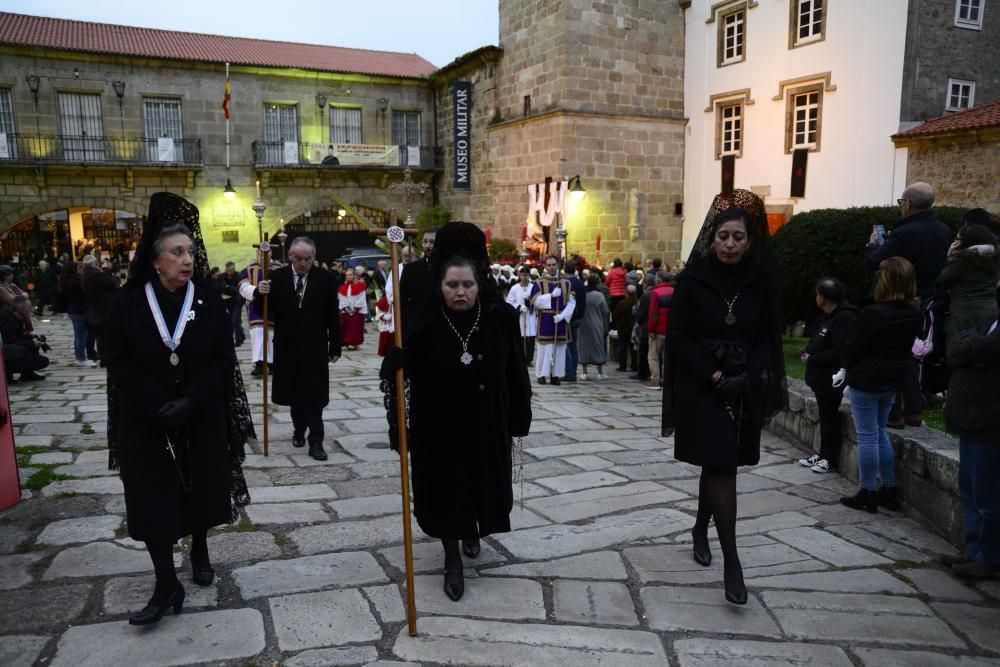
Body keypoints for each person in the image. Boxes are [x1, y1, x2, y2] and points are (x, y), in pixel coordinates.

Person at [103, 192, 253, 626]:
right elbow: (118, 362)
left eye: (189, 251)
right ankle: (165, 582)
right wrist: (157, 405)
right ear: (155, 260)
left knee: (200, 488)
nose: (186, 260)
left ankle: (201, 549)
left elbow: (224, 361)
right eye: (176, 253)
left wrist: (190, 401)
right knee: (151, 497)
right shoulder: (127, 304)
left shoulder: (207, 302)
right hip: (146, 422)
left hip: (199, 416)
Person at [380, 221, 531, 601]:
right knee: (445, 489)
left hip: (485, 420)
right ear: (439, 285)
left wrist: (519, 415)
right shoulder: (423, 323)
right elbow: (403, 376)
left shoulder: (500, 318)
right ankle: (451, 557)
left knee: (480, 485)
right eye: (452, 286)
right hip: (439, 423)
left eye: (467, 285)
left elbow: (516, 371)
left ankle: (471, 529)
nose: (460, 292)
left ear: (479, 283)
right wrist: (396, 362)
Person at [663, 189, 786, 605]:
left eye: (738, 237)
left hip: (743, 387)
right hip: (701, 386)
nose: (730, 244)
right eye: (723, 236)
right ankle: (733, 563)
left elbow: (769, 337)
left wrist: (747, 376)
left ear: (750, 241)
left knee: (720, 463)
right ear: (711, 238)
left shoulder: (761, 281)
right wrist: (714, 373)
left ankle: (701, 527)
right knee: (722, 468)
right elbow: (677, 338)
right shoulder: (693, 280)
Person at [864, 182, 952, 427]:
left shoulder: (906, 233)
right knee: (908, 357)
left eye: (902, 202)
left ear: (909, 204)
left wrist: (873, 245)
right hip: (929, 300)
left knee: (890, 353)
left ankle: (894, 413)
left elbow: (875, 262)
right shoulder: (943, 230)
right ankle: (913, 410)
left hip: (901, 300)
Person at [839, 257, 923, 513]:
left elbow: (855, 347)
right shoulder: (914, 313)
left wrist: (846, 365)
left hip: (867, 380)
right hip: (892, 379)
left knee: (867, 436)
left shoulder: (874, 314)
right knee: (880, 432)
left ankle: (867, 491)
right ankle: (888, 488)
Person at [254, 237, 342, 461]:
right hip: (287, 346)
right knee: (294, 394)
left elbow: (333, 314)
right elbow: (263, 309)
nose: (303, 263)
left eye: (308, 259)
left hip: (315, 346)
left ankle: (316, 441)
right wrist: (259, 293)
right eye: (299, 258)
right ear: (290, 257)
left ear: (314, 257)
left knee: (315, 395)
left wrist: (336, 345)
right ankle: (298, 429)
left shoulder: (326, 278)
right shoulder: (277, 277)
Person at [943, 285, 1000, 580]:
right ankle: (973, 549)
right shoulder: (990, 318)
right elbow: (955, 347)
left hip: (991, 422)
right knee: (972, 491)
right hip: (971, 420)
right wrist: (971, 348)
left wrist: (973, 348)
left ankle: (989, 558)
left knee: (990, 497)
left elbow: (984, 347)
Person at [798, 277, 858, 474]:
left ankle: (829, 458)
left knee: (830, 417)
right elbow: (816, 340)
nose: (816, 298)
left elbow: (840, 350)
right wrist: (806, 351)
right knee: (825, 417)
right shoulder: (825, 316)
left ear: (824, 297)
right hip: (819, 377)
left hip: (831, 378)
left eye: (817, 294)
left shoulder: (846, 317)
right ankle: (822, 453)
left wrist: (813, 359)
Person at [937, 223, 1000, 342]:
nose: (955, 242)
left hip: (963, 317)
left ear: (967, 242)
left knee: (959, 354)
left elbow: (941, 279)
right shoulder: (995, 258)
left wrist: (949, 256)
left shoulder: (962, 263)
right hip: (990, 312)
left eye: (957, 239)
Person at [531, 256, 575, 385]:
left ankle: (556, 375)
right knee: (545, 349)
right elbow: (536, 302)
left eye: (554, 264)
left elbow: (572, 302)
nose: (552, 267)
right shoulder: (539, 282)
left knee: (559, 350)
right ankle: (541, 375)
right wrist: (550, 296)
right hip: (546, 319)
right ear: (545, 266)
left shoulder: (566, 283)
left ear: (557, 265)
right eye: (549, 265)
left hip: (560, 320)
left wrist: (563, 316)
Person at [237, 255, 275, 377]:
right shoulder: (250, 269)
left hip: (275, 308)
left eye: (268, 253)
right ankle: (259, 363)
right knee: (258, 333)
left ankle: (273, 363)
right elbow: (243, 287)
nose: (265, 256)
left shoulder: (278, 268)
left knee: (273, 335)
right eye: (262, 253)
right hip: (256, 308)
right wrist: (256, 290)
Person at [398, 227, 438, 341]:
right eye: (425, 242)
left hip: (441, 328)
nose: (427, 246)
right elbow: (402, 301)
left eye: (432, 242)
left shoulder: (448, 269)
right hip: (416, 329)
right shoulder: (411, 269)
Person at [0, 296, 49, 382]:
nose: (30, 310)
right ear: (21, 308)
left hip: (8, 350)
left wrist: (33, 338)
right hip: (5, 353)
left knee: (33, 341)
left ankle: (26, 374)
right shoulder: (8, 320)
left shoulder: (16, 317)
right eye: (29, 307)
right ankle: (7, 374)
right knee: (42, 361)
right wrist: (32, 343)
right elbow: (9, 341)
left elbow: (17, 336)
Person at [82, 254, 120, 364]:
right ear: (94, 264)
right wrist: (107, 270)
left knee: (100, 335)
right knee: (105, 335)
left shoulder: (85, 274)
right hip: (102, 307)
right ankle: (105, 358)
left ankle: (102, 356)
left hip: (95, 307)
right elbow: (112, 283)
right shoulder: (95, 274)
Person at [64, 261, 96, 368]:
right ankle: (82, 359)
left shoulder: (70, 280)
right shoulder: (75, 281)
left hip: (74, 310)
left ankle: (79, 357)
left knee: (78, 335)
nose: (81, 268)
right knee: (81, 336)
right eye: (79, 267)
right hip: (79, 311)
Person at [578, 273, 609, 380]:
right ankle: (600, 373)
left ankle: (584, 372)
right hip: (596, 323)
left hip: (583, 323)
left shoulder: (583, 294)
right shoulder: (599, 296)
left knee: (583, 346)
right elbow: (605, 310)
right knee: (598, 346)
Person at [646, 271, 674, 388]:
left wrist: (651, 329)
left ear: (659, 280)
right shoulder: (674, 291)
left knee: (653, 356)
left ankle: (655, 381)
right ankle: (666, 381)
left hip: (658, 331)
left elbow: (653, 313)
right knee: (666, 357)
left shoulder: (656, 292)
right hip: (671, 330)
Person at [505, 266, 537, 364]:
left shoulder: (533, 287)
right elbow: (509, 301)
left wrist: (531, 305)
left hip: (530, 315)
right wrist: (519, 306)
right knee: (521, 337)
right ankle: (521, 357)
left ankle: (529, 359)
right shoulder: (515, 288)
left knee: (530, 338)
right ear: (519, 275)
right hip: (520, 316)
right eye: (522, 275)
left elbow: (538, 299)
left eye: (526, 275)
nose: (524, 277)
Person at [562, 260, 587, 382]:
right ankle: (573, 372)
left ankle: (569, 372)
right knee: (573, 346)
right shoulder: (581, 283)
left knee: (566, 346)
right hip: (578, 318)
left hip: (569, 318)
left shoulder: (565, 283)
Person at [338, 267, 368, 350]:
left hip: (357, 311)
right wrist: (347, 309)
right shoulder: (343, 287)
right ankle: (349, 343)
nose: (348, 276)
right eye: (347, 275)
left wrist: (355, 309)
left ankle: (355, 343)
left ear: (354, 275)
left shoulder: (361, 285)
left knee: (356, 328)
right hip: (347, 311)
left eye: (350, 275)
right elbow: (342, 298)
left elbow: (362, 298)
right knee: (348, 328)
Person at [217, 262, 245, 346]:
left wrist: (227, 287)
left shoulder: (239, 276)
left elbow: (238, 290)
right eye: (228, 270)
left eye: (231, 270)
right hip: (225, 301)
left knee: (235, 320)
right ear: (226, 269)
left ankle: (238, 340)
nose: (230, 272)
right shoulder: (222, 276)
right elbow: (219, 287)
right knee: (229, 321)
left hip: (237, 301)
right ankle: (241, 335)